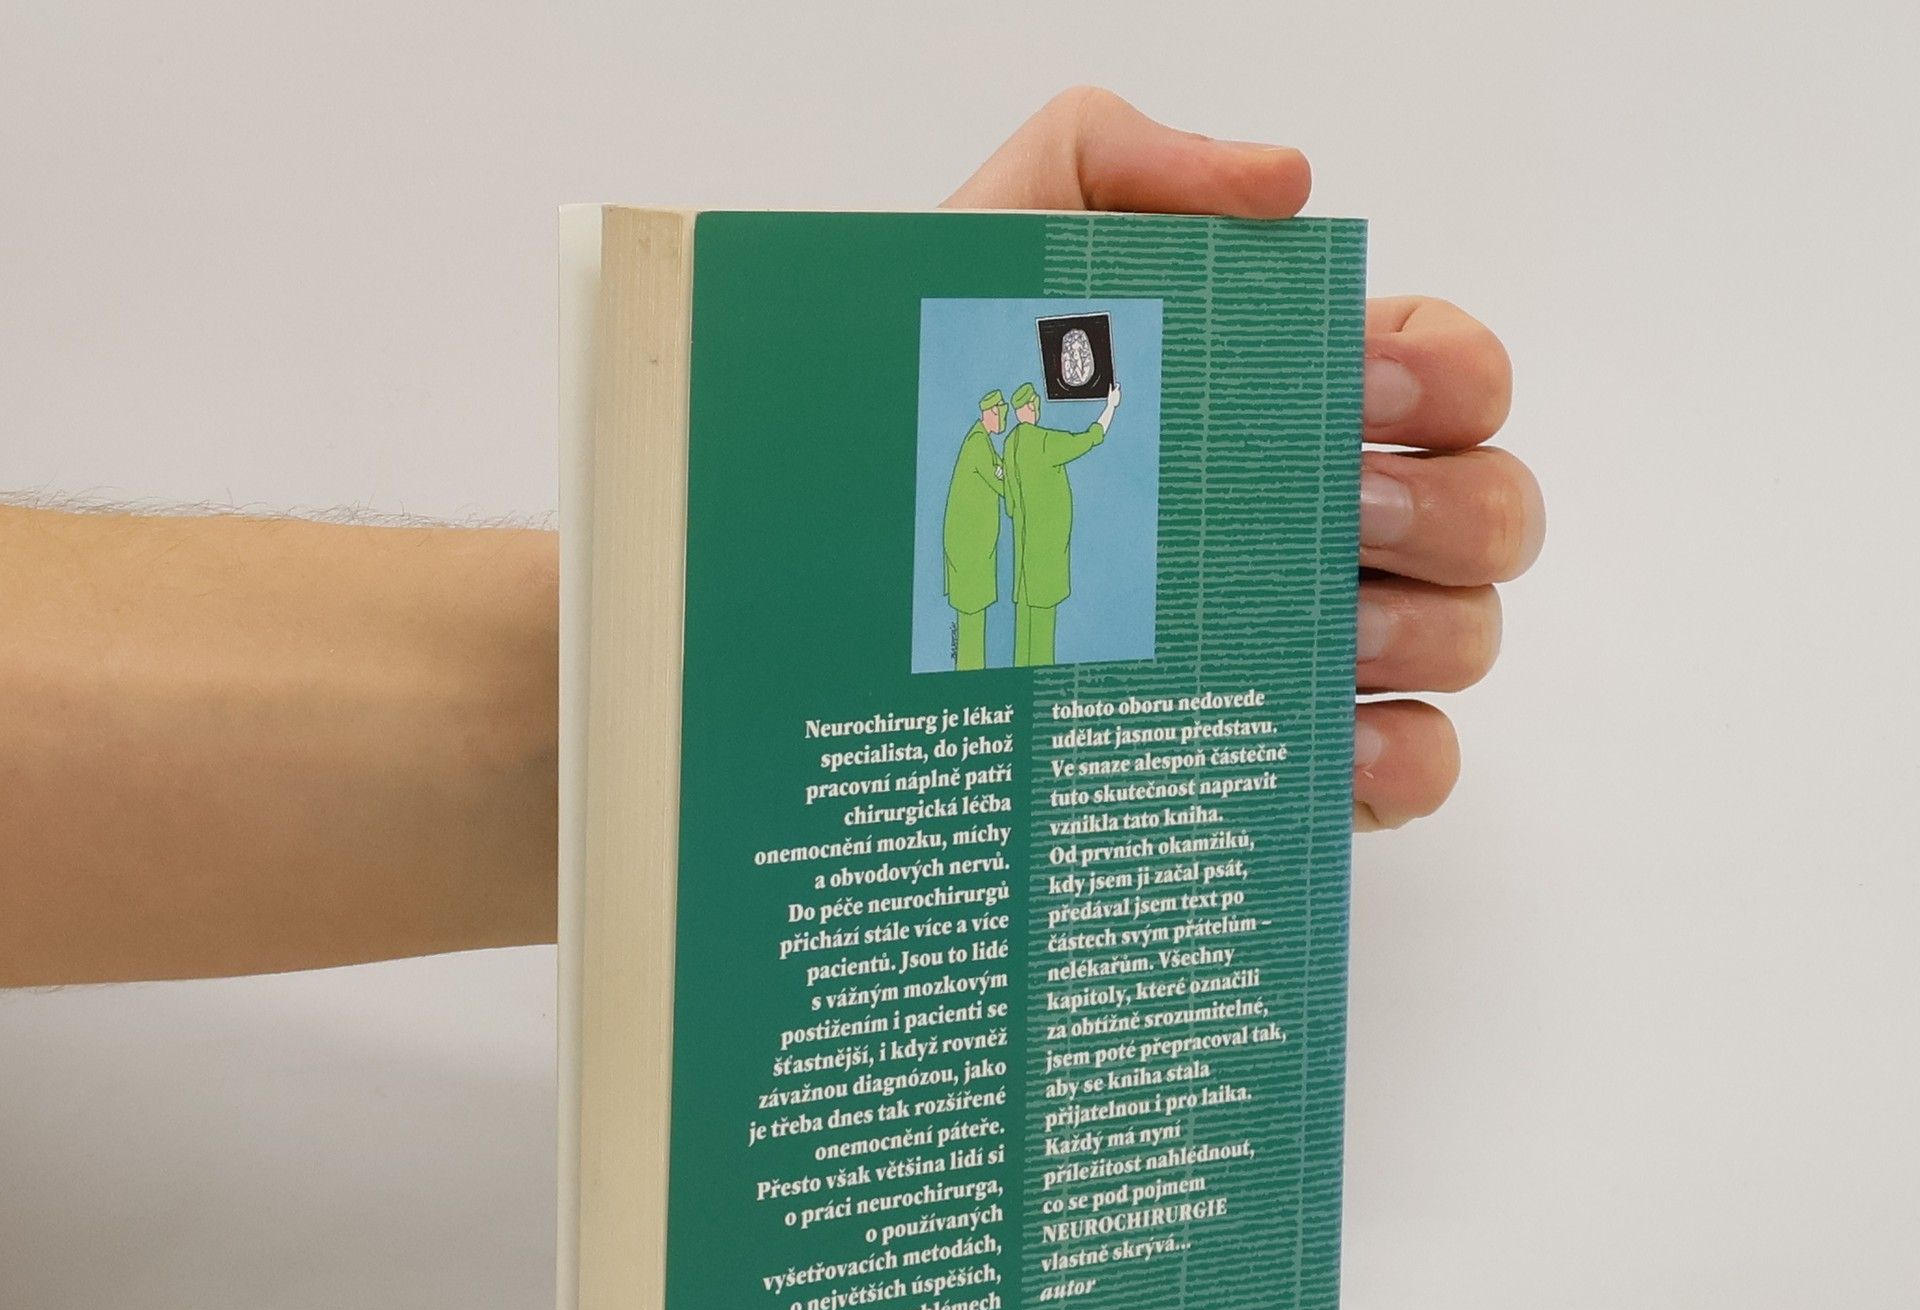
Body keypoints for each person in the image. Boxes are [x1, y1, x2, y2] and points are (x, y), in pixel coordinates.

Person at [0, 88, 1544, 990]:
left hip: (1009, 624)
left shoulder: (1021, 445)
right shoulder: (997, 465)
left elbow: (1070, 441)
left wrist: (783, 549)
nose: (1004, 413)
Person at [1003, 379, 1120, 666]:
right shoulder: (1043, 442)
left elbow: (1010, 504)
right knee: (1042, 646)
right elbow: (1089, 439)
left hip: (1023, 564)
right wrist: (1110, 407)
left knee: (1023, 641)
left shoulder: (1010, 443)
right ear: (1032, 407)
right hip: (1044, 559)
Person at [943, 388, 1009, 670]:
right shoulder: (978, 444)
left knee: (974, 620)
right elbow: (1002, 484)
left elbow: (1002, 469)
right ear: (991, 413)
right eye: (1001, 413)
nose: (1003, 418)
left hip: (974, 552)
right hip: (969, 554)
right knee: (971, 623)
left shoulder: (983, 441)